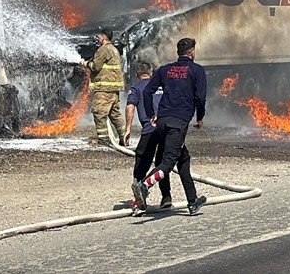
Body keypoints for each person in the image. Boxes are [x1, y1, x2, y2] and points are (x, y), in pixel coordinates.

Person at [132, 37, 207, 216]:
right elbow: (201, 97)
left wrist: (152, 115)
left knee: (183, 158)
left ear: (178, 52)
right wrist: (200, 117)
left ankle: (192, 200)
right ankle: (144, 186)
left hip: (163, 121)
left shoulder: (165, 69)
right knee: (168, 162)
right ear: (192, 52)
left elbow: (148, 91)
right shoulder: (196, 70)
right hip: (178, 122)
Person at [125, 61, 172, 210]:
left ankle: (139, 200)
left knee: (141, 163)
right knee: (162, 164)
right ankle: (166, 197)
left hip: (149, 130)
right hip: (166, 129)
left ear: (137, 75)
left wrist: (127, 129)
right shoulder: (161, 86)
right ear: (151, 73)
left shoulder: (137, 88)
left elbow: (130, 107)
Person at [82, 30, 127, 146]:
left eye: (99, 36)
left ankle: (104, 140)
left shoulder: (103, 50)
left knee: (99, 113)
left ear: (103, 37)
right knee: (115, 114)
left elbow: (96, 67)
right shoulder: (114, 50)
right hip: (113, 88)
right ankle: (124, 136)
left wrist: (85, 64)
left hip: (103, 88)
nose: (98, 38)